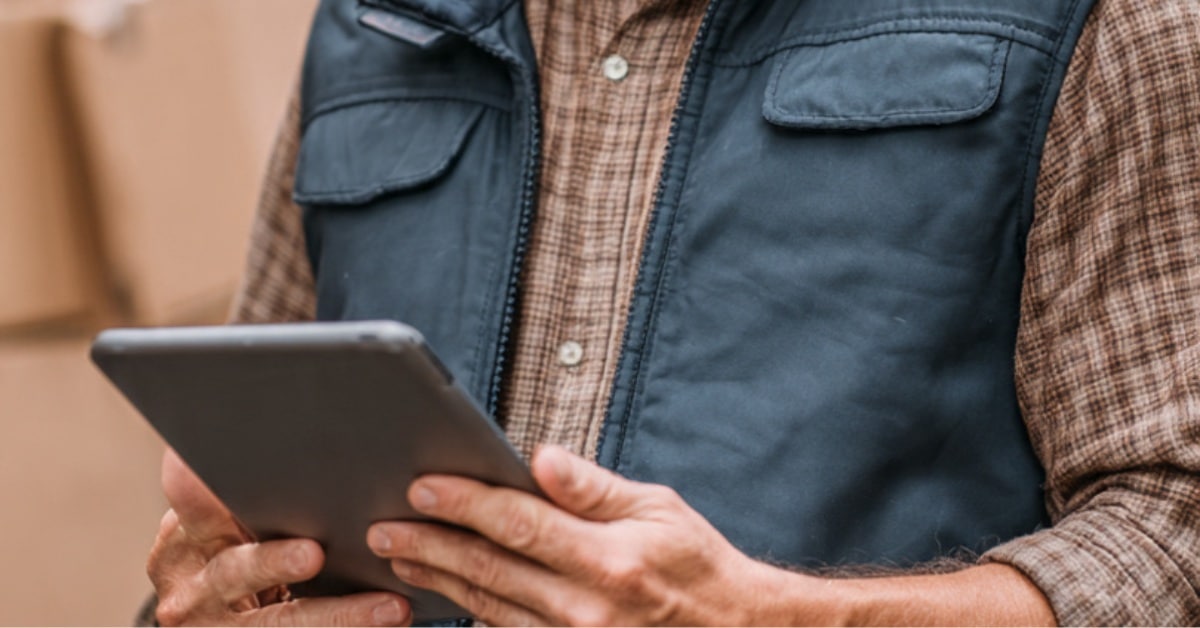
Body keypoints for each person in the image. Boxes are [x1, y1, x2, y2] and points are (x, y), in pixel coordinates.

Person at [145, 0, 1200, 624]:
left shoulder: (1102, 21)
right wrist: (208, 594)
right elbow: (238, 495)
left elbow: (1174, 536)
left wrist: (783, 621)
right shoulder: (368, 26)